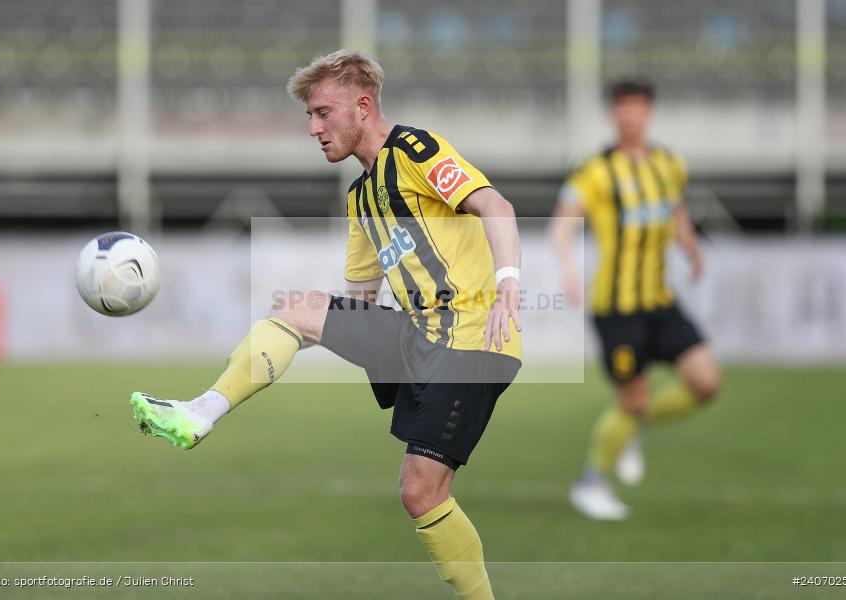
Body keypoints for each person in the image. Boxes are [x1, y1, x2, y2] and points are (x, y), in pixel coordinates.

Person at [129, 49, 522, 599]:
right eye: (309, 117)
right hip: (418, 339)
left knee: (420, 492)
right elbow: (359, 299)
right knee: (294, 307)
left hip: (472, 342)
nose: (313, 128)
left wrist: (508, 280)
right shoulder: (361, 195)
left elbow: (496, 207)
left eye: (322, 113)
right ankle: (200, 412)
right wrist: (302, 335)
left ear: (363, 106)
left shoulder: (415, 150)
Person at [551, 79, 721, 520]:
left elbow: (676, 209)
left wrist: (690, 246)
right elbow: (562, 225)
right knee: (633, 396)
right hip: (616, 306)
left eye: (639, 107)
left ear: (649, 112)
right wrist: (569, 268)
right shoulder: (595, 169)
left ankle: (633, 428)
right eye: (624, 108)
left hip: (660, 299)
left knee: (706, 382)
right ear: (614, 114)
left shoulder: (669, 164)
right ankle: (591, 484)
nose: (631, 116)